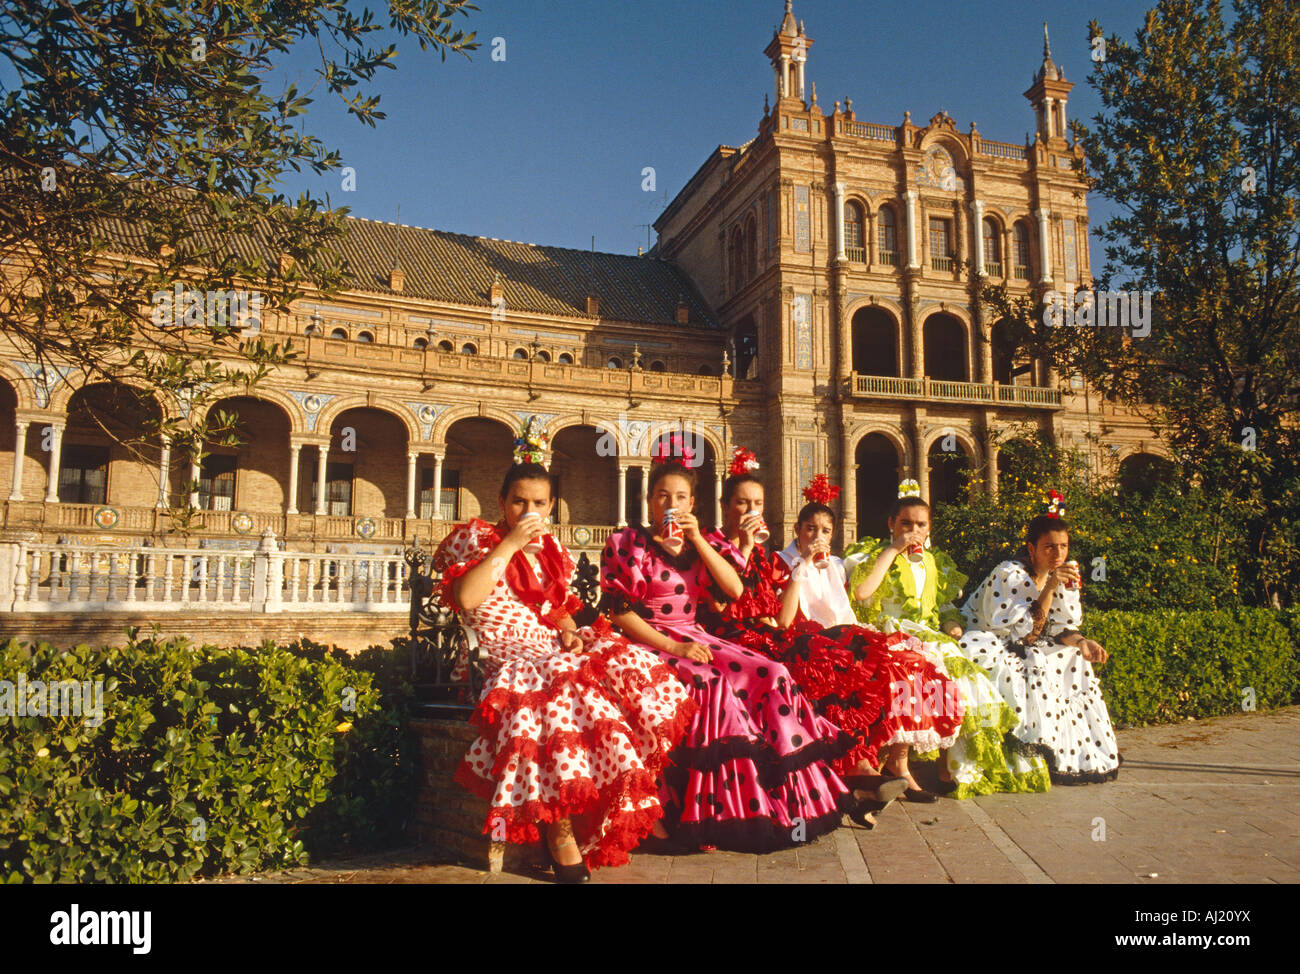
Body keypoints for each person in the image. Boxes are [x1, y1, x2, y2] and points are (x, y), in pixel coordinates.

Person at [434, 451, 696, 883]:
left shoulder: (551, 551)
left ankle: (631, 809)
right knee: (560, 688)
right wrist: (511, 543)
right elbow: (465, 599)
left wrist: (572, 631)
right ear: (502, 502)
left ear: (551, 506)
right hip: (502, 656)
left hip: (549, 648)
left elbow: (557, 610)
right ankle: (560, 832)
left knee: (628, 670)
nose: (529, 512)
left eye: (539, 504)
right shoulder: (479, 537)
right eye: (520, 502)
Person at [599, 442, 856, 852]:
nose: (671, 503)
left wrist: (697, 539)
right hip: (650, 639)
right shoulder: (627, 542)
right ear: (648, 499)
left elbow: (733, 589)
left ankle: (790, 797)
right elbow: (619, 613)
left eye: (680, 496)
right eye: (662, 495)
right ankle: (722, 811)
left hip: (695, 633)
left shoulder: (697, 546)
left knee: (773, 673)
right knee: (712, 682)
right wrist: (673, 647)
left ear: (693, 503)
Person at [698, 456, 961, 812]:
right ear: (725, 505)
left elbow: (786, 616)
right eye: (742, 502)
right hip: (736, 636)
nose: (750, 510)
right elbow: (729, 601)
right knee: (824, 661)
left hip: (776, 633)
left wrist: (796, 571)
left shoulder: (773, 558)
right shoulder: (717, 547)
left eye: (757, 503)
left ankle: (869, 766)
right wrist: (753, 551)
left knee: (867, 657)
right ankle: (852, 770)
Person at [844, 484, 1051, 799]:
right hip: (893, 631)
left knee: (965, 683)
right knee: (911, 676)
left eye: (921, 525)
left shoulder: (933, 561)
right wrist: (892, 550)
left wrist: (952, 624)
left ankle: (950, 768)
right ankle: (899, 766)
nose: (914, 531)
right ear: (892, 525)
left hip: (929, 634)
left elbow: (942, 605)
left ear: (929, 528)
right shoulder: (876, 555)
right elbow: (862, 593)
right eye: (906, 524)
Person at [957, 501, 1121, 783]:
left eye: (1063, 546)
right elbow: (1024, 634)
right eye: (1049, 547)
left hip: (1027, 641)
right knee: (1031, 663)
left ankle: (1070, 755)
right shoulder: (1009, 573)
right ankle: (1029, 751)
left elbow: (1058, 627)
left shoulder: (1066, 572)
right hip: (994, 639)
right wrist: (1050, 586)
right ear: (1031, 548)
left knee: (1073, 658)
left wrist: (1082, 641)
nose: (1058, 553)